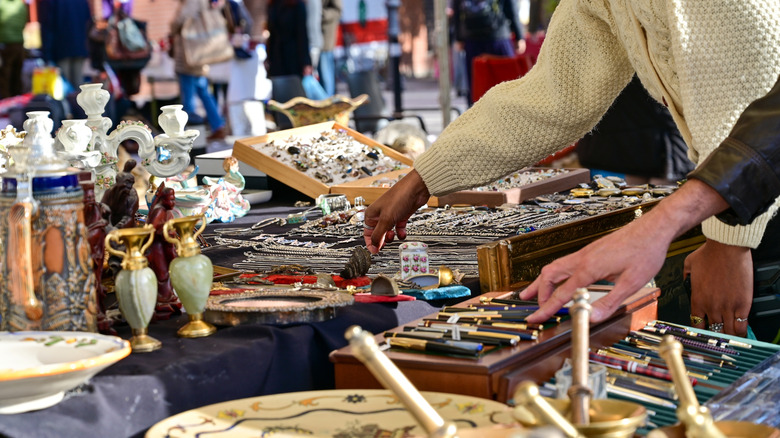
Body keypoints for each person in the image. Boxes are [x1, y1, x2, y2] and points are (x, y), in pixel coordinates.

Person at [363, 1, 780, 338]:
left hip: (753, 206)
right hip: (734, 201)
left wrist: (729, 243)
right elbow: (550, 97)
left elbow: (753, 96)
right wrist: (424, 177)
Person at [171, 0, 229, 141]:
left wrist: (172, 27)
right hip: (199, 55)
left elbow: (179, 21)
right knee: (204, 92)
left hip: (189, 57)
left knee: (188, 96)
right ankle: (218, 126)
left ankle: (191, 135)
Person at [452, 0, 525, 106]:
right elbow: (510, 7)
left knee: (477, 84)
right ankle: (508, 113)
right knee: (507, 82)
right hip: (498, 37)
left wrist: (459, 37)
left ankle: (477, 116)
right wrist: (519, 36)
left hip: (472, 38)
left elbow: (457, 9)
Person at [146, 184, 182, 320]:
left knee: (168, 272)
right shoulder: (159, 211)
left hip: (165, 246)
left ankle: (168, 297)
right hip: (157, 248)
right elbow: (151, 229)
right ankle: (162, 299)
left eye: (174, 199)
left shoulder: (168, 212)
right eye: (170, 200)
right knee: (162, 274)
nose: (173, 203)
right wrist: (166, 231)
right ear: (163, 199)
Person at [39, 0, 92, 90]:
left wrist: (46, 55)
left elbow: (47, 26)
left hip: (60, 49)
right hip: (79, 46)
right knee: (78, 86)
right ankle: (78, 104)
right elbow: (88, 21)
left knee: (63, 88)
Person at [266, 0, 312, 79]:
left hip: (293, 59)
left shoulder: (297, 5)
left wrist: (306, 62)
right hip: (276, 59)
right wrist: (268, 57)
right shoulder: (273, 4)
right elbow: (272, 35)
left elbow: (302, 35)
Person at [0, 0, 27, 99]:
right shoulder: (21, 5)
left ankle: (6, 104)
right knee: (16, 76)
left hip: (5, 44)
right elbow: (24, 23)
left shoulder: (2, 4)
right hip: (19, 43)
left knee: (4, 78)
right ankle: (17, 102)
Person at [318, 0, 342, 96]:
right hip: (314, 37)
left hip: (325, 38)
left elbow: (337, 11)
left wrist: (321, 14)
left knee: (326, 74)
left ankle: (328, 104)